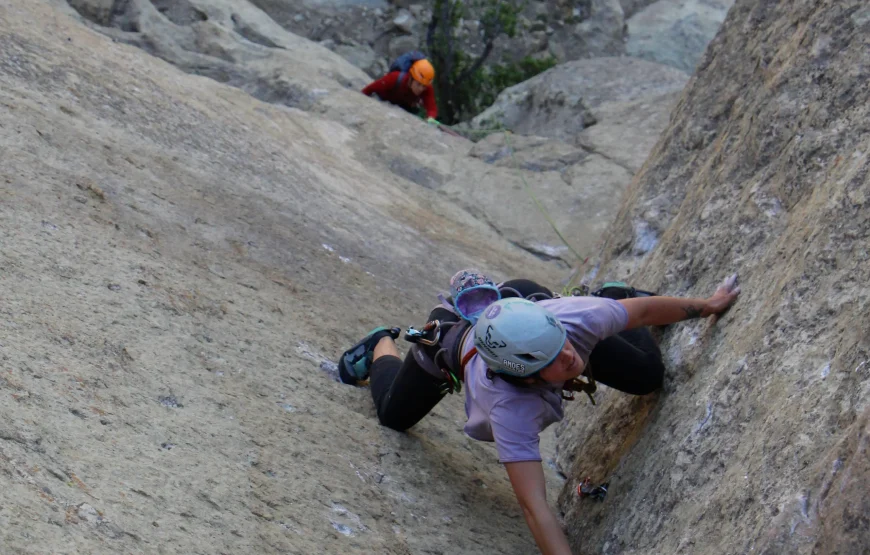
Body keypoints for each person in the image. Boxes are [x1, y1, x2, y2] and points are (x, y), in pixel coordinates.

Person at [338, 270, 740, 554]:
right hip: (448, 339)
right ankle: (380, 344)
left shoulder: (571, 322)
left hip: (526, 304)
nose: (570, 356)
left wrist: (709, 305)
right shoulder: (509, 407)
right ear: (526, 378)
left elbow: (646, 312)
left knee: (648, 375)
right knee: (392, 415)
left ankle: (611, 292)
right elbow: (536, 507)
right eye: (556, 358)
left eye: (563, 345)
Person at [361, 57, 438, 122]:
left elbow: (431, 108)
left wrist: (430, 118)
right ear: (411, 78)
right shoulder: (393, 78)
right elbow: (370, 89)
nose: (421, 89)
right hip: (383, 101)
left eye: (424, 86)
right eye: (418, 84)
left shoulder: (427, 87)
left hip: (404, 107)